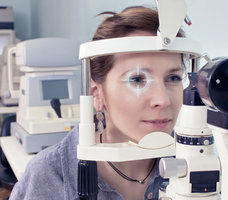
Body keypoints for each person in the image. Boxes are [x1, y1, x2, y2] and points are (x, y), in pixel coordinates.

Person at [9, 6, 186, 200]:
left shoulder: (192, 160)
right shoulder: (49, 176)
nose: (163, 100)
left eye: (174, 78)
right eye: (137, 79)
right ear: (96, 94)